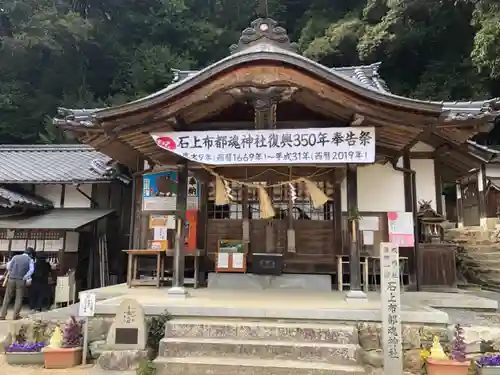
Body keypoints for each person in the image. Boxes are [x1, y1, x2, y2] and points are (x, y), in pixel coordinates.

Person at [0, 247, 35, 320]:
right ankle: (15, 315)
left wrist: (12, 272)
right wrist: (25, 277)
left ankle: (2, 315)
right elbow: (31, 270)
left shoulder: (15, 257)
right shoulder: (30, 260)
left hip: (11, 279)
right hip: (21, 280)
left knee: (7, 297)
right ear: (31, 254)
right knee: (19, 298)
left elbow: (8, 267)